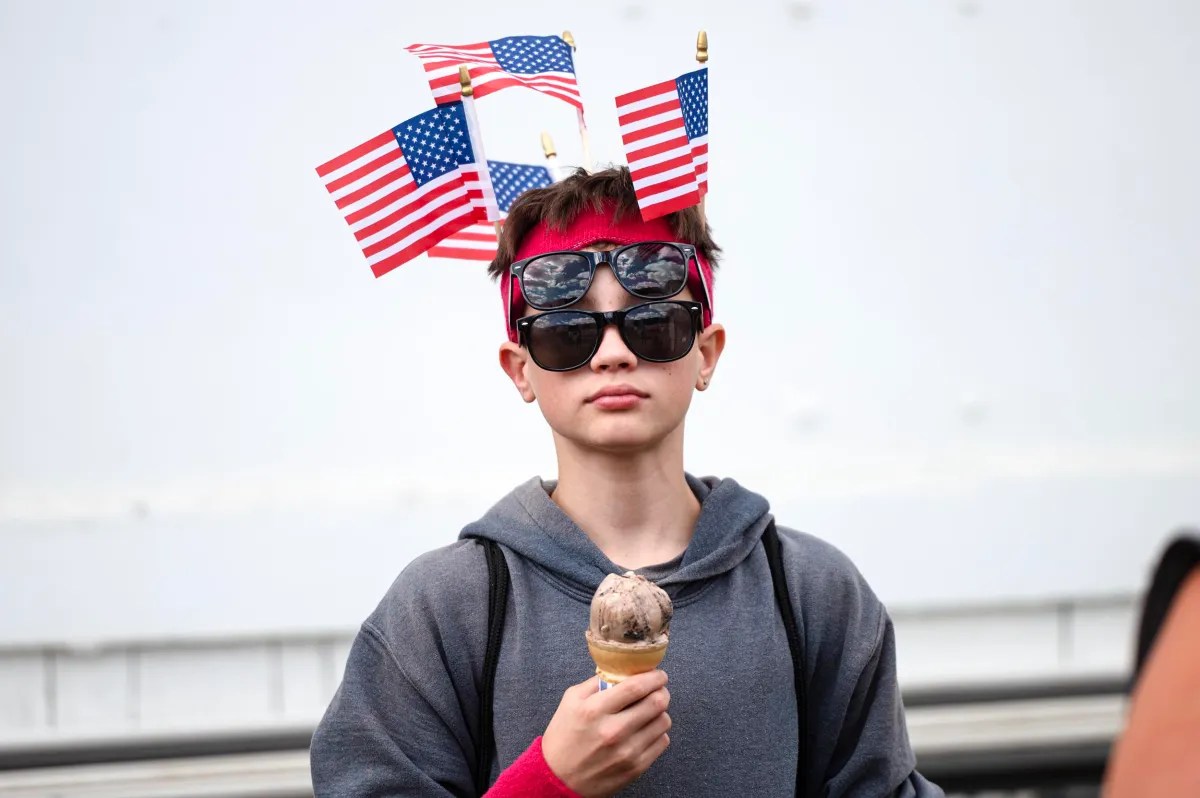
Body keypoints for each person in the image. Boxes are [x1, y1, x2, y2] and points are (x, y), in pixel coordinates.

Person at [309, 167, 942, 797]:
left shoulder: (812, 593)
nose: (614, 354)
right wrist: (546, 784)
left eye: (653, 323)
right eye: (567, 332)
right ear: (519, 369)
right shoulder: (446, 607)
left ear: (706, 353)